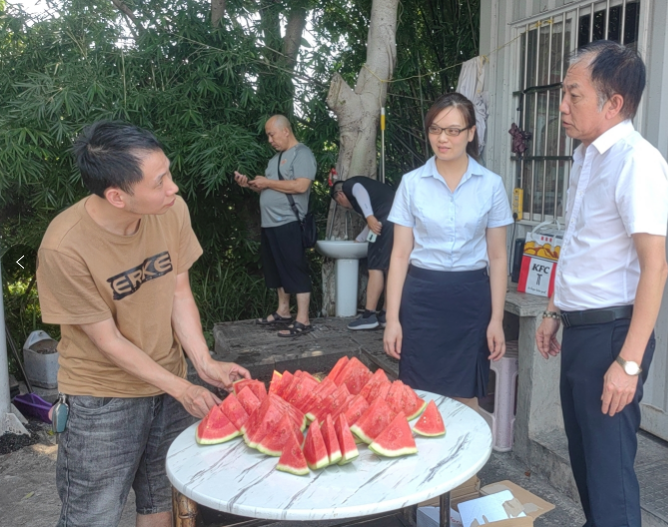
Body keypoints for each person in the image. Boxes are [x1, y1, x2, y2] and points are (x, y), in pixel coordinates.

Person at [35, 120, 251, 527]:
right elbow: (108, 340)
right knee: (92, 517)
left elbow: (178, 292)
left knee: (160, 505)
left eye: (168, 173)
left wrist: (203, 363)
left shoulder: (171, 211)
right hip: (102, 399)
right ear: (117, 196)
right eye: (159, 182)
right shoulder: (64, 247)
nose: (173, 188)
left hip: (169, 385)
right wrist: (183, 388)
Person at [535, 40, 668, 527]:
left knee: (610, 480)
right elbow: (579, 243)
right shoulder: (587, 158)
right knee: (587, 465)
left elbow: (656, 266)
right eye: (563, 93)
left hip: (613, 336)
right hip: (580, 331)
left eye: (574, 95)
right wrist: (554, 310)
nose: (562, 106)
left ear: (613, 103)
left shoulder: (637, 161)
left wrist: (628, 364)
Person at [383, 92, 512, 409]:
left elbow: (498, 257)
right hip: (421, 299)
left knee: (466, 398)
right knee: (416, 398)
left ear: (470, 133)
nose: (443, 138)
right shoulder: (411, 183)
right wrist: (392, 319)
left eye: (453, 130)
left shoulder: (491, 185)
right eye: (435, 129)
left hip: (471, 300)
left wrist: (496, 319)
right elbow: (399, 255)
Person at [234, 115, 317, 337]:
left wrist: (267, 182)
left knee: (295, 268)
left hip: (289, 221)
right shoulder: (274, 160)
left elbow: (301, 186)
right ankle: (283, 311)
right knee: (277, 269)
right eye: (268, 136)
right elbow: (270, 188)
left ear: (285, 131)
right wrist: (250, 184)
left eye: (272, 135)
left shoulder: (302, 154)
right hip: (269, 223)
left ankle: (303, 319)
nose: (270, 140)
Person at [330, 176, 396, 330]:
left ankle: (369, 315)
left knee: (375, 269)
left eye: (340, 203)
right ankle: (385, 314)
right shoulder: (376, 198)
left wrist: (369, 216)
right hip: (395, 222)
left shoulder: (348, 185)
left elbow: (358, 189)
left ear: (340, 195)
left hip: (385, 223)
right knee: (389, 269)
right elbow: (373, 222)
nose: (344, 207)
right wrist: (359, 239)